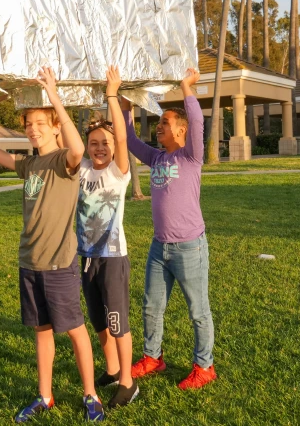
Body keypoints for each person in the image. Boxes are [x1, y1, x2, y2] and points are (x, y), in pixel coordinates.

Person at [0, 66, 104, 422]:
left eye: (39, 123)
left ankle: (90, 395)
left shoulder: (64, 162)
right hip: (29, 261)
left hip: (58, 263)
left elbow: (78, 147)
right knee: (42, 330)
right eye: (27, 124)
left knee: (75, 331)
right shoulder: (29, 164)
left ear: (53, 127)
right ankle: (45, 396)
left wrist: (54, 97)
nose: (32, 130)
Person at [121, 68, 217, 390]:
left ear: (181, 132)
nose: (159, 126)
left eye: (165, 123)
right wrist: (125, 109)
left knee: (198, 311)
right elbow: (130, 140)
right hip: (159, 246)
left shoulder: (191, 156)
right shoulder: (157, 158)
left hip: (189, 247)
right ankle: (153, 356)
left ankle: (204, 366)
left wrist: (186, 86)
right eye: (159, 122)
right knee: (151, 305)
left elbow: (198, 122)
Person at [76, 66, 138, 408]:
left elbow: (124, 138)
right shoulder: (82, 169)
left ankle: (128, 383)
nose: (100, 148)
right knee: (98, 320)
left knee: (117, 322)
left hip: (113, 258)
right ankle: (113, 369)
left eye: (105, 143)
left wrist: (112, 94)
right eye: (94, 143)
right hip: (86, 259)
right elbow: (66, 138)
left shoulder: (118, 173)